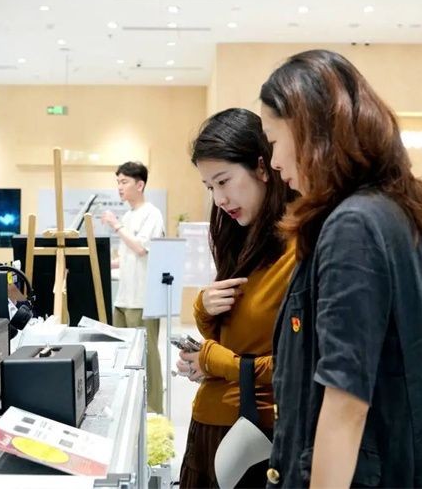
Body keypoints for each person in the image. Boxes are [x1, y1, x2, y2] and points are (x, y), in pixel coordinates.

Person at [260, 49, 422, 487]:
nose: (275, 161)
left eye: (274, 140)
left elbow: (346, 403)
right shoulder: (398, 209)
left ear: (308, 130)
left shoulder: (353, 225)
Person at [175, 108, 297, 488]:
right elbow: (235, 335)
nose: (220, 199)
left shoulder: (299, 250)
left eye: (224, 181)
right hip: (210, 425)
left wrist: (216, 361)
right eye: (209, 187)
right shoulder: (243, 237)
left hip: (255, 437)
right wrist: (204, 308)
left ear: (262, 167)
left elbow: (299, 364)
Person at [100, 161, 165, 414]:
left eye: (124, 182)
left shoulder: (152, 214)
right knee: (124, 354)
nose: (120, 187)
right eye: (118, 182)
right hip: (123, 297)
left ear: (140, 185)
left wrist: (116, 225)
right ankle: (130, 406)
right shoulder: (128, 216)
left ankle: (153, 410)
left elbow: (140, 248)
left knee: (148, 355)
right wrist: (101, 263)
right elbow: (125, 256)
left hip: (142, 299)